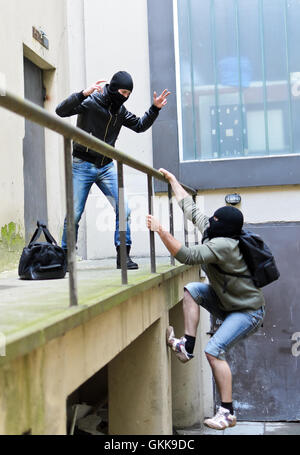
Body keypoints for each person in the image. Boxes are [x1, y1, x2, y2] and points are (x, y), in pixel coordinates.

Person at [146, 168, 265, 430]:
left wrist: (161, 231)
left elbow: (187, 255)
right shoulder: (216, 232)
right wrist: (173, 181)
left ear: (223, 226)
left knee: (213, 351)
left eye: (215, 218)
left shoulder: (224, 245)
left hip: (247, 312)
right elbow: (190, 208)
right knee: (193, 288)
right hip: (227, 303)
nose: (210, 219)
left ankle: (227, 413)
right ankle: (187, 346)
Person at [56, 71, 170, 269]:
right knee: (74, 212)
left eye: (128, 94)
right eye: (123, 92)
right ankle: (65, 256)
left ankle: (123, 255)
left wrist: (154, 109)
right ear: (114, 87)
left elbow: (140, 126)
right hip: (82, 164)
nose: (125, 97)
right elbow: (61, 111)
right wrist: (83, 93)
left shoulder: (120, 111)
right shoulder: (91, 101)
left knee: (124, 209)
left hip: (107, 166)